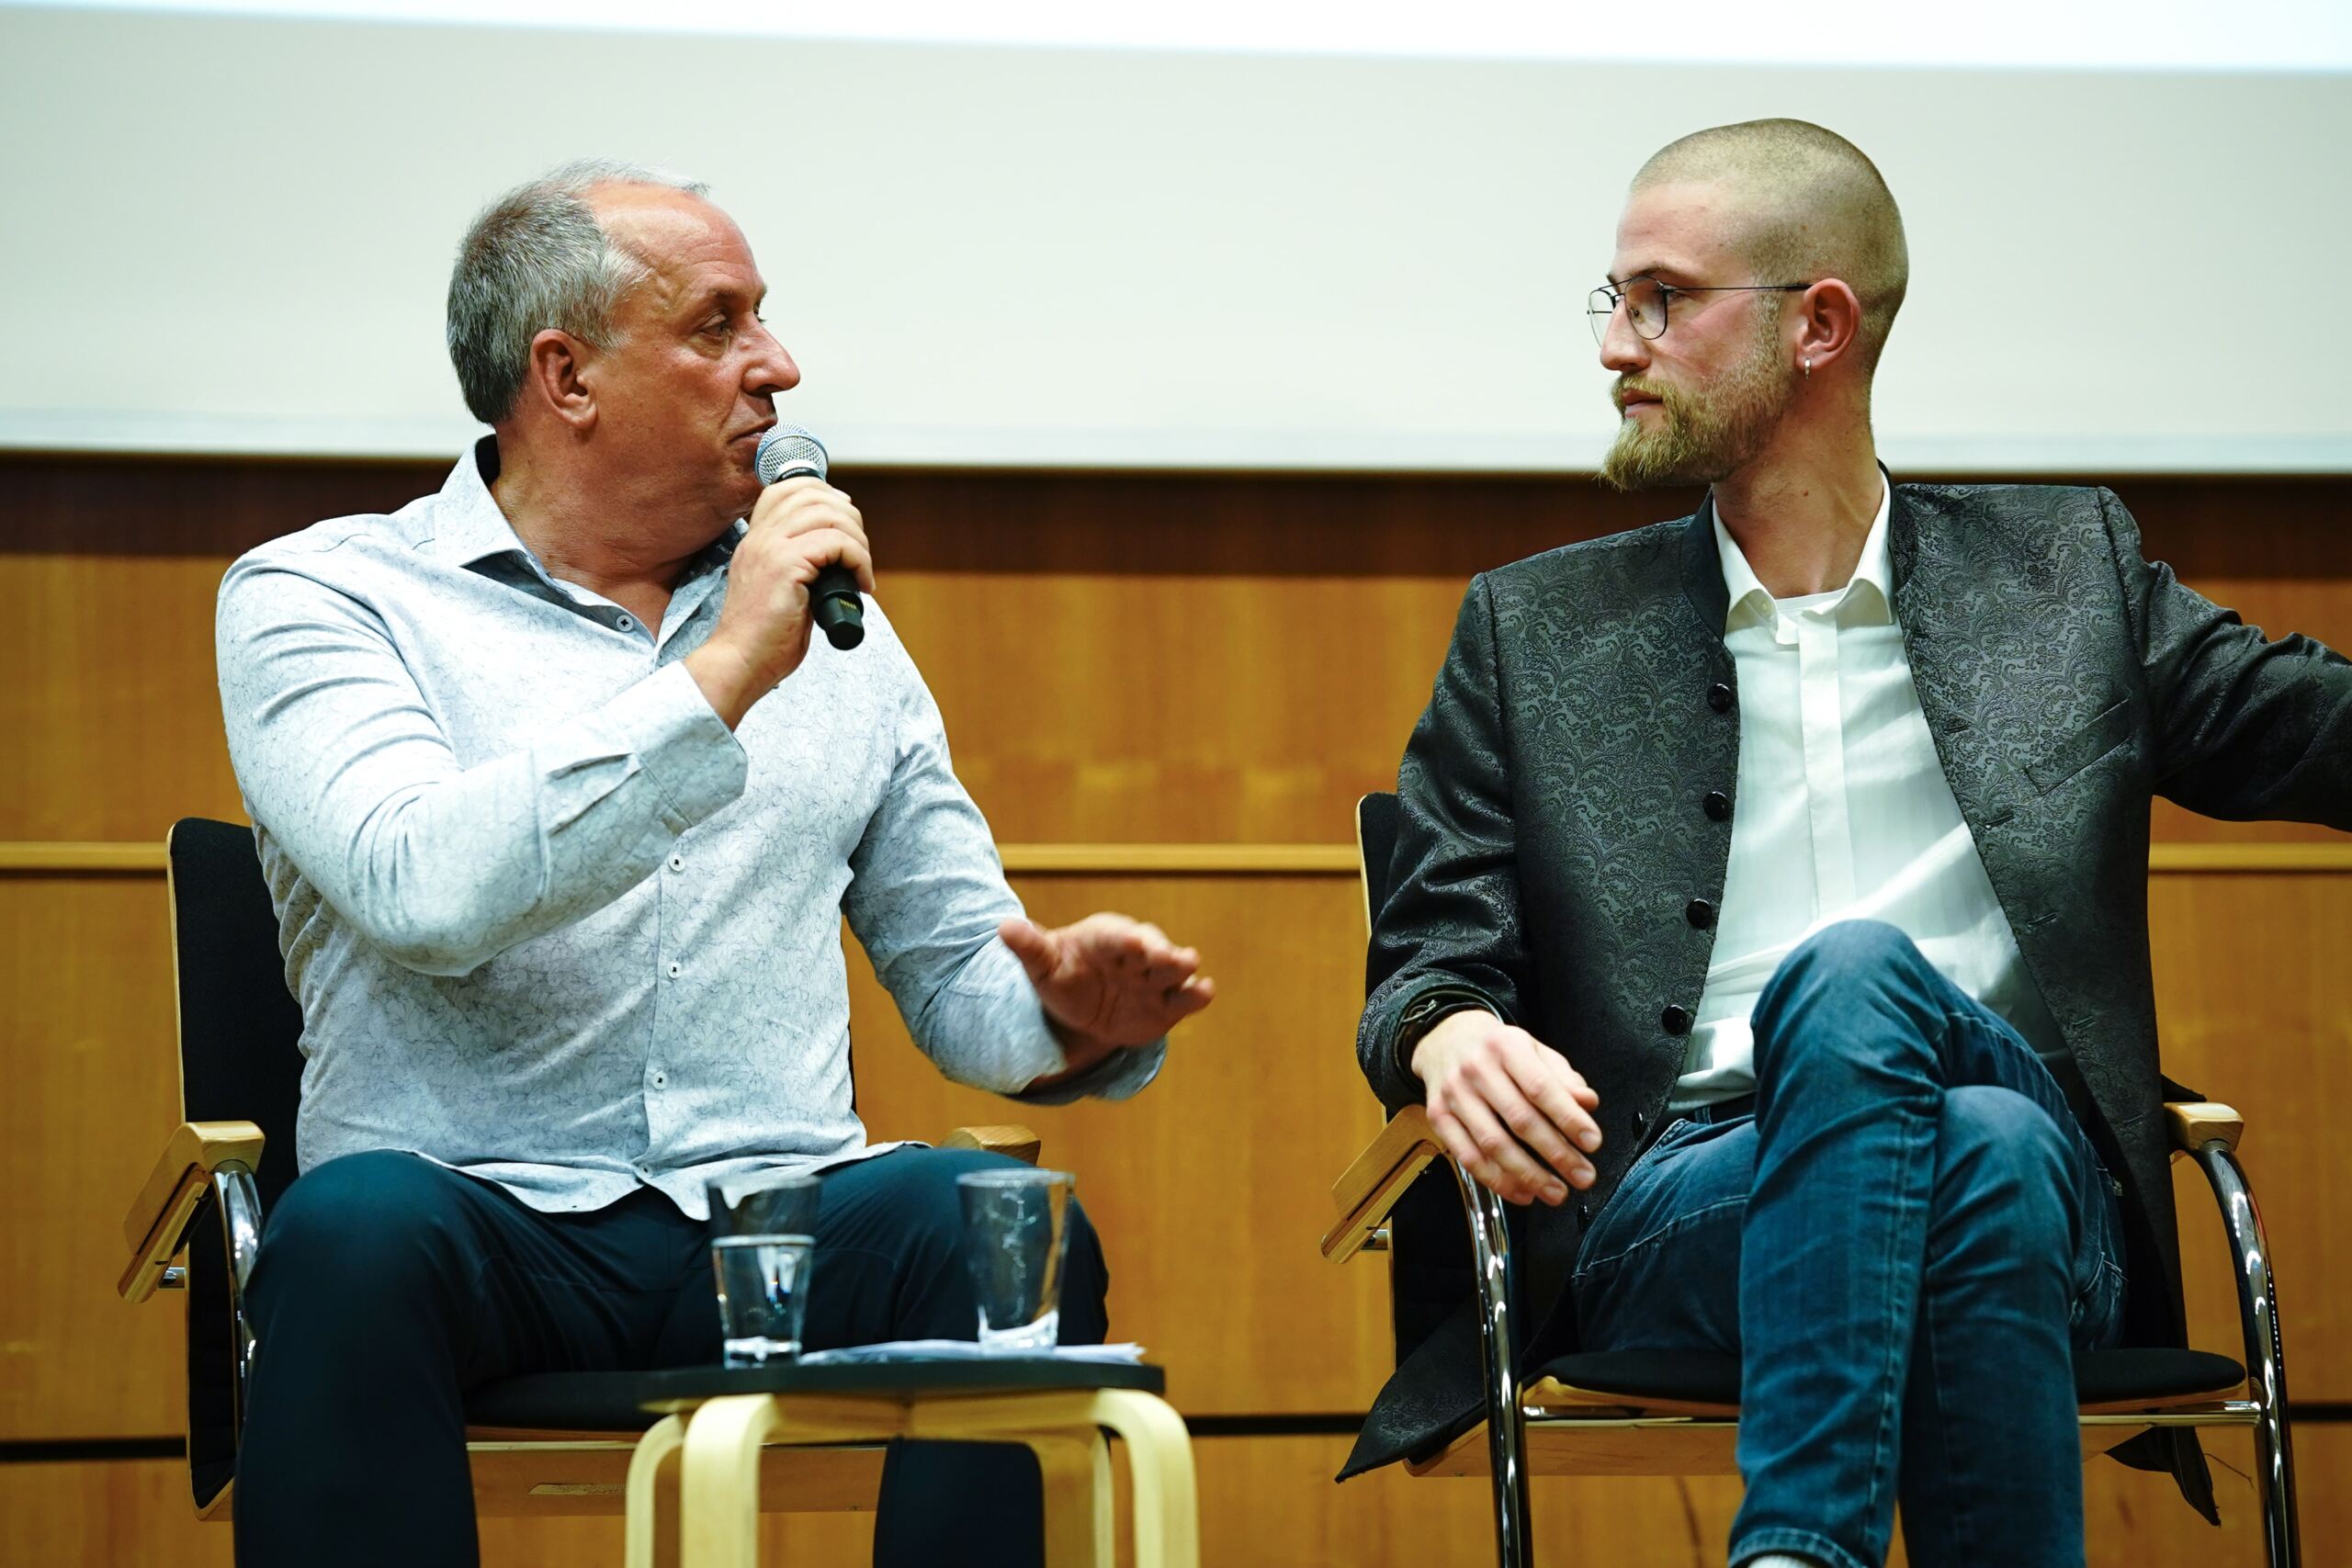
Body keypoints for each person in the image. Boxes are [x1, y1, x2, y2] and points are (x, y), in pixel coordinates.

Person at [1343, 118, 2351, 1568]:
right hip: (1687, 1195)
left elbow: (2309, 728)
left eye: (1665, 300)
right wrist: (1442, 1035)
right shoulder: (1535, 632)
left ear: (1818, 325)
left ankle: (1797, 1545)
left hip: (2066, 1207)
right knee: (1977, 1148)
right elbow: (1428, 947)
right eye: (1613, 300)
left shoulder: (2066, 579)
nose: (1616, 345)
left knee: (1872, 990)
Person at [214, 158, 1215, 1568]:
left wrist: (1070, 1017)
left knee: (993, 1223)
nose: (780, 367)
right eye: (719, 325)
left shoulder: (840, 637)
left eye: (766, 322)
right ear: (566, 378)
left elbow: (959, 985)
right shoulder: (327, 597)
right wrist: (731, 669)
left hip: (774, 1222)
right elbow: (420, 889)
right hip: (475, 1226)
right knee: (351, 1228)